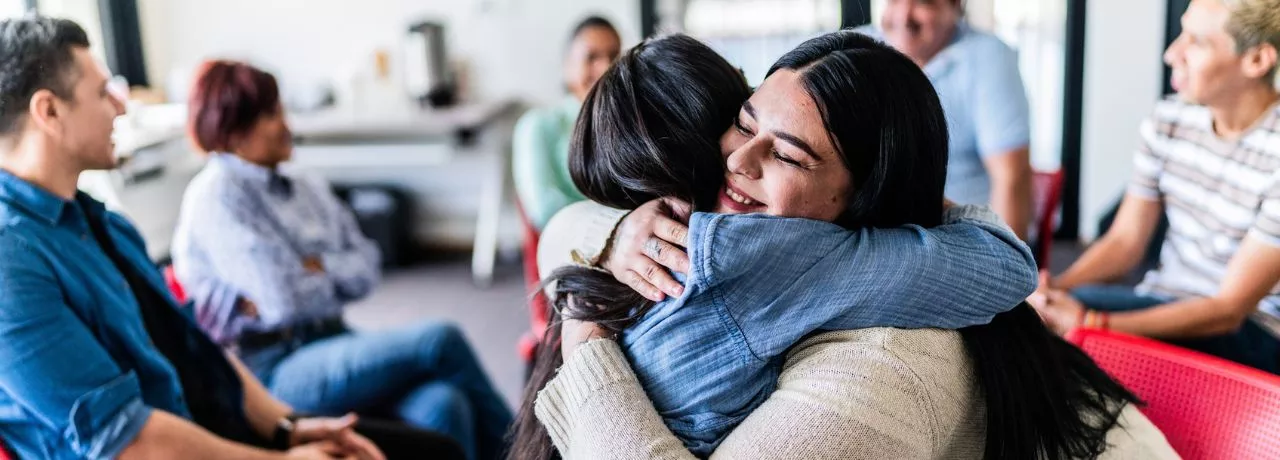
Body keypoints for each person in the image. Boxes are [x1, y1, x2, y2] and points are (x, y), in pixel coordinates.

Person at [514, 32, 1178, 459]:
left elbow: (1007, 265)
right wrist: (612, 238)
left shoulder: (883, 360)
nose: (738, 163)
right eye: (743, 123)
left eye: (791, 157)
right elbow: (569, 227)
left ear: (864, 202)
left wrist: (586, 333)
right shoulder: (758, 255)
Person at [0, 16, 464, 460]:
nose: (121, 106)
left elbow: (196, 348)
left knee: (437, 437)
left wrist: (288, 428)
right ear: (49, 112)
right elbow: (127, 443)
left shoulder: (100, 223)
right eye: (103, 93)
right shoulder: (12, 259)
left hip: (210, 423)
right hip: (173, 447)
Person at [171, 60, 513, 460]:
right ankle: (534, 453)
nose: (287, 124)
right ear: (232, 130)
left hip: (333, 338)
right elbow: (284, 299)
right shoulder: (216, 196)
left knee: (444, 403)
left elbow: (367, 266)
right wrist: (322, 269)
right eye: (271, 114)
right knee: (439, 340)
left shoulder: (305, 184)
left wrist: (312, 270)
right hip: (272, 370)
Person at [1030, 0, 1280, 374]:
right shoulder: (1169, 118)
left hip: (1254, 331)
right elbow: (1124, 243)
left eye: (1196, 42)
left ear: (1257, 60)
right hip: (1162, 299)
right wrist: (1053, 290)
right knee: (1035, 316)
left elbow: (1228, 311)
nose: (1171, 53)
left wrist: (1092, 325)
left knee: (1055, 338)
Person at [858, 0, 1033, 238]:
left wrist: (1006, 263)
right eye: (893, 0)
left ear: (956, 6)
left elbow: (1011, 177)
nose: (903, 16)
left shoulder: (988, 56)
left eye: (923, 3)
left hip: (958, 237)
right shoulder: (856, 49)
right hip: (874, 233)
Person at [512, 16, 622, 229]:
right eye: (591, 57)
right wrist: (621, 225)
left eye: (614, 56)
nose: (606, 68)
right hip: (571, 244)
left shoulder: (630, 125)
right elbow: (544, 210)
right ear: (568, 66)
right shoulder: (538, 126)